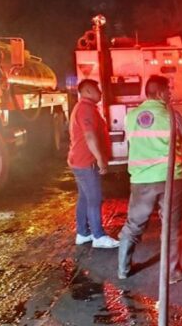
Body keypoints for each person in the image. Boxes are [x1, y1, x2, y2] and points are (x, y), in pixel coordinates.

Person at [118, 76, 182, 283]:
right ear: (160, 93)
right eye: (168, 91)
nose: (170, 94)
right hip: (170, 178)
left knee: (134, 224)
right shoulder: (171, 114)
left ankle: (123, 269)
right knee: (171, 226)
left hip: (141, 179)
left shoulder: (131, 116)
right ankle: (172, 273)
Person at [67, 79, 120, 249]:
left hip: (79, 161)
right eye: (97, 90)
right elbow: (89, 136)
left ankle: (83, 233)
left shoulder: (83, 108)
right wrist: (100, 159)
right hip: (86, 162)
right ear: (88, 91)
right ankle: (98, 236)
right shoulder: (85, 109)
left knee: (85, 197)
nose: (100, 93)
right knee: (94, 199)